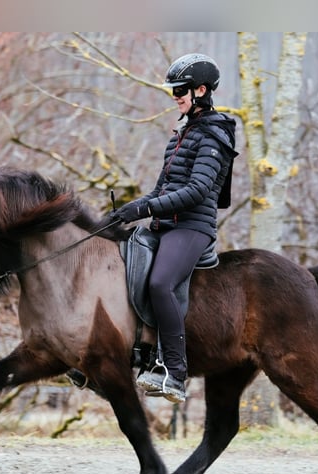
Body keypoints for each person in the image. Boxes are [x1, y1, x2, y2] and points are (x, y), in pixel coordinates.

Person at [111, 53, 238, 403]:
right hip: (164, 224)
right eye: (172, 91)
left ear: (201, 90)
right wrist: (128, 211)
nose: (175, 97)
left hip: (192, 228)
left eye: (180, 90)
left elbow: (197, 191)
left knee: (160, 282)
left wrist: (146, 206)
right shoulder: (180, 135)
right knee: (119, 263)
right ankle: (135, 354)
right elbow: (161, 189)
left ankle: (175, 372)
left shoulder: (213, 135)